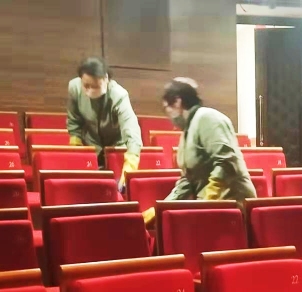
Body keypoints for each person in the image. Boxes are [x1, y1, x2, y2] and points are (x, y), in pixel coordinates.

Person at [142, 78, 256, 226]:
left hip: (231, 206)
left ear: (177, 102)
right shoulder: (187, 132)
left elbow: (226, 162)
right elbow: (187, 181)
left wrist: (208, 200)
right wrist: (160, 208)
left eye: (166, 108)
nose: (167, 116)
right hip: (210, 208)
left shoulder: (207, 118)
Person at [67, 57, 142, 191]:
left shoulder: (118, 95)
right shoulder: (75, 87)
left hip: (116, 147)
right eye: (86, 86)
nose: (90, 90)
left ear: (106, 79)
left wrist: (131, 163)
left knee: (119, 189)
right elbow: (74, 121)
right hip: (90, 145)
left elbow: (131, 129)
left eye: (95, 86)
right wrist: (77, 151)